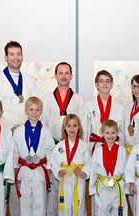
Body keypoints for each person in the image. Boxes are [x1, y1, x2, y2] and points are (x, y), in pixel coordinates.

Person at [0, 40, 39, 215]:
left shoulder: (29, 81)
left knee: (20, 179)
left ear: (22, 56)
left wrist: (23, 128)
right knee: (3, 180)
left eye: (18, 54)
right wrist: (10, 127)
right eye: (12, 54)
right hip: (3, 135)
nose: (15, 58)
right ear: (5, 57)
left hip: (26, 136)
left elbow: (36, 107)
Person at [42, 62, 88, 216]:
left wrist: (83, 147)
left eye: (66, 73)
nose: (63, 76)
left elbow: (84, 126)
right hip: (53, 148)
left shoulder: (79, 99)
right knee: (53, 194)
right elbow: (43, 126)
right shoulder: (47, 98)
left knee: (76, 195)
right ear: (55, 75)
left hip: (74, 150)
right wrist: (46, 150)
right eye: (60, 73)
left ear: (71, 76)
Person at [86, 69, 125, 215]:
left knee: (115, 180)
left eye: (107, 81)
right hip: (95, 147)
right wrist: (86, 151)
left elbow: (121, 131)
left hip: (113, 147)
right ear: (96, 84)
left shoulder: (120, 105)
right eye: (101, 81)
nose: (104, 84)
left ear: (112, 84)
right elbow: (85, 128)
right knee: (98, 180)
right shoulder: (89, 104)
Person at [13, 96, 54, 216]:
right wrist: (15, 167)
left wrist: (49, 167)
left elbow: (50, 150)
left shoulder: (46, 131)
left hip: (40, 171)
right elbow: (14, 151)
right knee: (24, 202)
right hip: (24, 170)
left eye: (37, 110)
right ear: (25, 111)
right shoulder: (19, 131)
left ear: (41, 111)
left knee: (40, 202)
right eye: (31, 109)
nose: (34, 113)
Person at [50, 114, 91, 216]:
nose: (72, 129)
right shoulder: (60, 146)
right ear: (64, 127)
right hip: (65, 180)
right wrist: (59, 170)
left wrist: (84, 172)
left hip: (78, 179)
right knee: (65, 206)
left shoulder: (84, 145)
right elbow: (53, 159)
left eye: (75, 126)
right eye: (68, 126)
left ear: (79, 127)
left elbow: (89, 162)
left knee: (79, 205)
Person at [89, 119, 127, 216]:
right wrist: (92, 187)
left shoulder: (122, 150)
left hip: (118, 186)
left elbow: (126, 170)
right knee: (102, 212)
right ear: (102, 133)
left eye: (113, 133)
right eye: (107, 133)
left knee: (120, 212)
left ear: (118, 133)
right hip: (102, 187)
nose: (110, 136)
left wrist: (127, 186)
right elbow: (93, 170)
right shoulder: (98, 150)